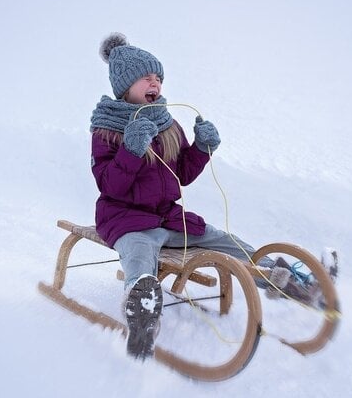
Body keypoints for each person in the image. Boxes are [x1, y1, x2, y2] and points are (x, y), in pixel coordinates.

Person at [89, 33, 331, 360]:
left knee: (223, 239)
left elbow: (183, 174)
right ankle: (142, 309)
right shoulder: (106, 129)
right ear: (126, 84)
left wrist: (202, 148)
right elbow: (109, 185)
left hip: (168, 217)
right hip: (126, 220)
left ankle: (284, 279)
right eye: (147, 77)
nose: (155, 83)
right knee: (138, 251)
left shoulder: (167, 123)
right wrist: (131, 150)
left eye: (158, 78)